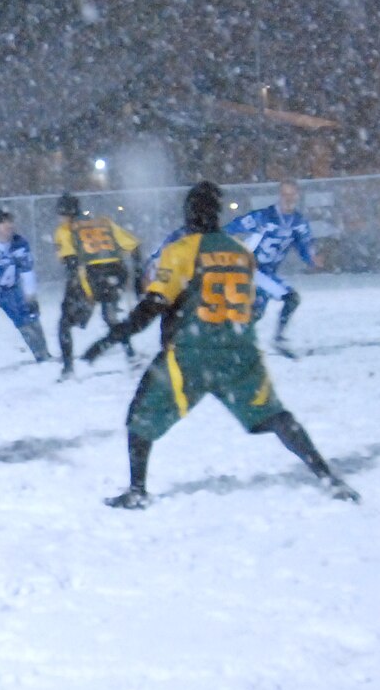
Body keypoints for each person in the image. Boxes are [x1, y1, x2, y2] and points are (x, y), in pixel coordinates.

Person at [85, 181, 357, 508]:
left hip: (192, 353)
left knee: (140, 417)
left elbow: (153, 306)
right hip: (240, 352)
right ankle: (327, 476)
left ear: (189, 214)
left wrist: (110, 338)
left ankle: (137, 491)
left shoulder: (182, 250)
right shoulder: (240, 252)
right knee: (275, 416)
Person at [53, 191, 144, 379]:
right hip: (116, 273)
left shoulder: (65, 230)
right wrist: (136, 275)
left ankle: (68, 369)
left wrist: (75, 293)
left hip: (92, 275)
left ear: (64, 214)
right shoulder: (104, 222)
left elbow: (71, 261)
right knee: (111, 317)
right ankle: (131, 355)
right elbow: (134, 245)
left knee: (64, 323)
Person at [224, 179, 317, 357]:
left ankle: (230, 343)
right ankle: (277, 339)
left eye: (292, 194)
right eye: (285, 194)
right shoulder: (263, 217)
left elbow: (304, 247)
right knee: (291, 297)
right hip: (253, 269)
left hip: (268, 273)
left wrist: (312, 259)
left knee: (255, 312)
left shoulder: (299, 223)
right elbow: (231, 228)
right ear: (279, 196)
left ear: (298, 196)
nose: (288, 198)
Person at [0, 208, 51, 371]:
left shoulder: (20, 244)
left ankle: (42, 354)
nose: (9, 228)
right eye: (5, 225)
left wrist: (30, 296)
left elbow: (27, 271)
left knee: (28, 318)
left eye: (11, 224)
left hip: (10, 290)